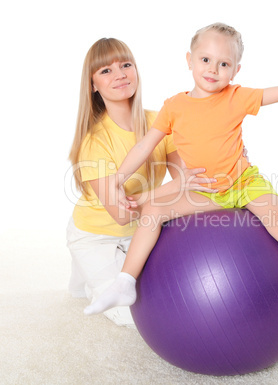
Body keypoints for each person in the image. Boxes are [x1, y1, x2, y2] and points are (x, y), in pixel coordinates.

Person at [84, 23, 278, 348]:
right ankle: (125, 281)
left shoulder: (237, 97)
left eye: (223, 64)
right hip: (206, 192)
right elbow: (145, 146)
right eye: (205, 60)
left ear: (235, 70)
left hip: (244, 184)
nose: (213, 69)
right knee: (154, 211)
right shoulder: (174, 106)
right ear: (189, 60)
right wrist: (119, 177)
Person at [67, 37, 217, 326]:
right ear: (92, 85)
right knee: (132, 316)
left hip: (143, 229)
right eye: (106, 71)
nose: (120, 74)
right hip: (97, 233)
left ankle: (88, 272)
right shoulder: (95, 141)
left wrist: (227, 155)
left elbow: (188, 178)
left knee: (160, 296)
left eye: (126, 65)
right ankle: (85, 268)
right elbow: (121, 215)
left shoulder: (160, 122)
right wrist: (172, 189)